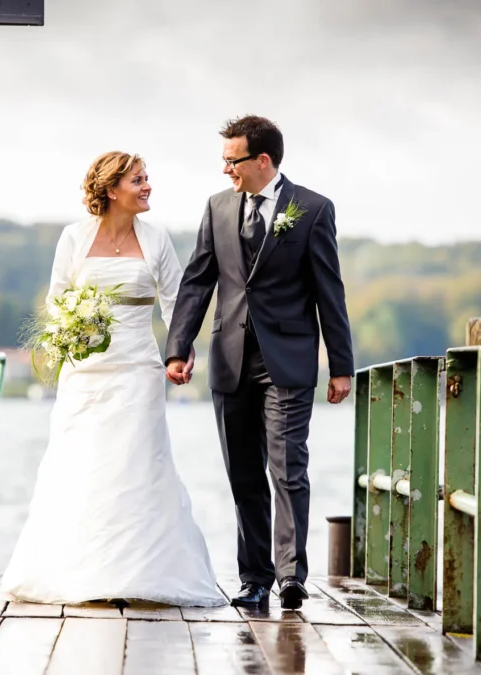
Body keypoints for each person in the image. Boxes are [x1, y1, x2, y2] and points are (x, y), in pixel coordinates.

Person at [0, 151, 227, 607]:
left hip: (138, 370)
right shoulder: (74, 237)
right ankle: (78, 569)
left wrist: (180, 351)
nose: (147, 186)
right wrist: (73, 332)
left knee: (137, 463)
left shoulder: (157, 239)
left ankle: (140, 572)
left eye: (146, 178)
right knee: (82, 463)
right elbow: (57, 301)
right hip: (85, 373)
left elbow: (175, 302)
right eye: (138, 180)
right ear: (111, 189)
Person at [164, 115, 355, 611]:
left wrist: (340, 365)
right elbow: (198, 280)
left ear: (262, 160)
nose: (225, 169)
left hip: (287, 361)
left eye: (233, 161)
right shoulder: (217, 207)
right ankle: (254, 578)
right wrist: (178, 347)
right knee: (243, 474)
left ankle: (291, 576)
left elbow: (329, 290)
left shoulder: (313, 209)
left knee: (288, 468)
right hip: (229, 361)